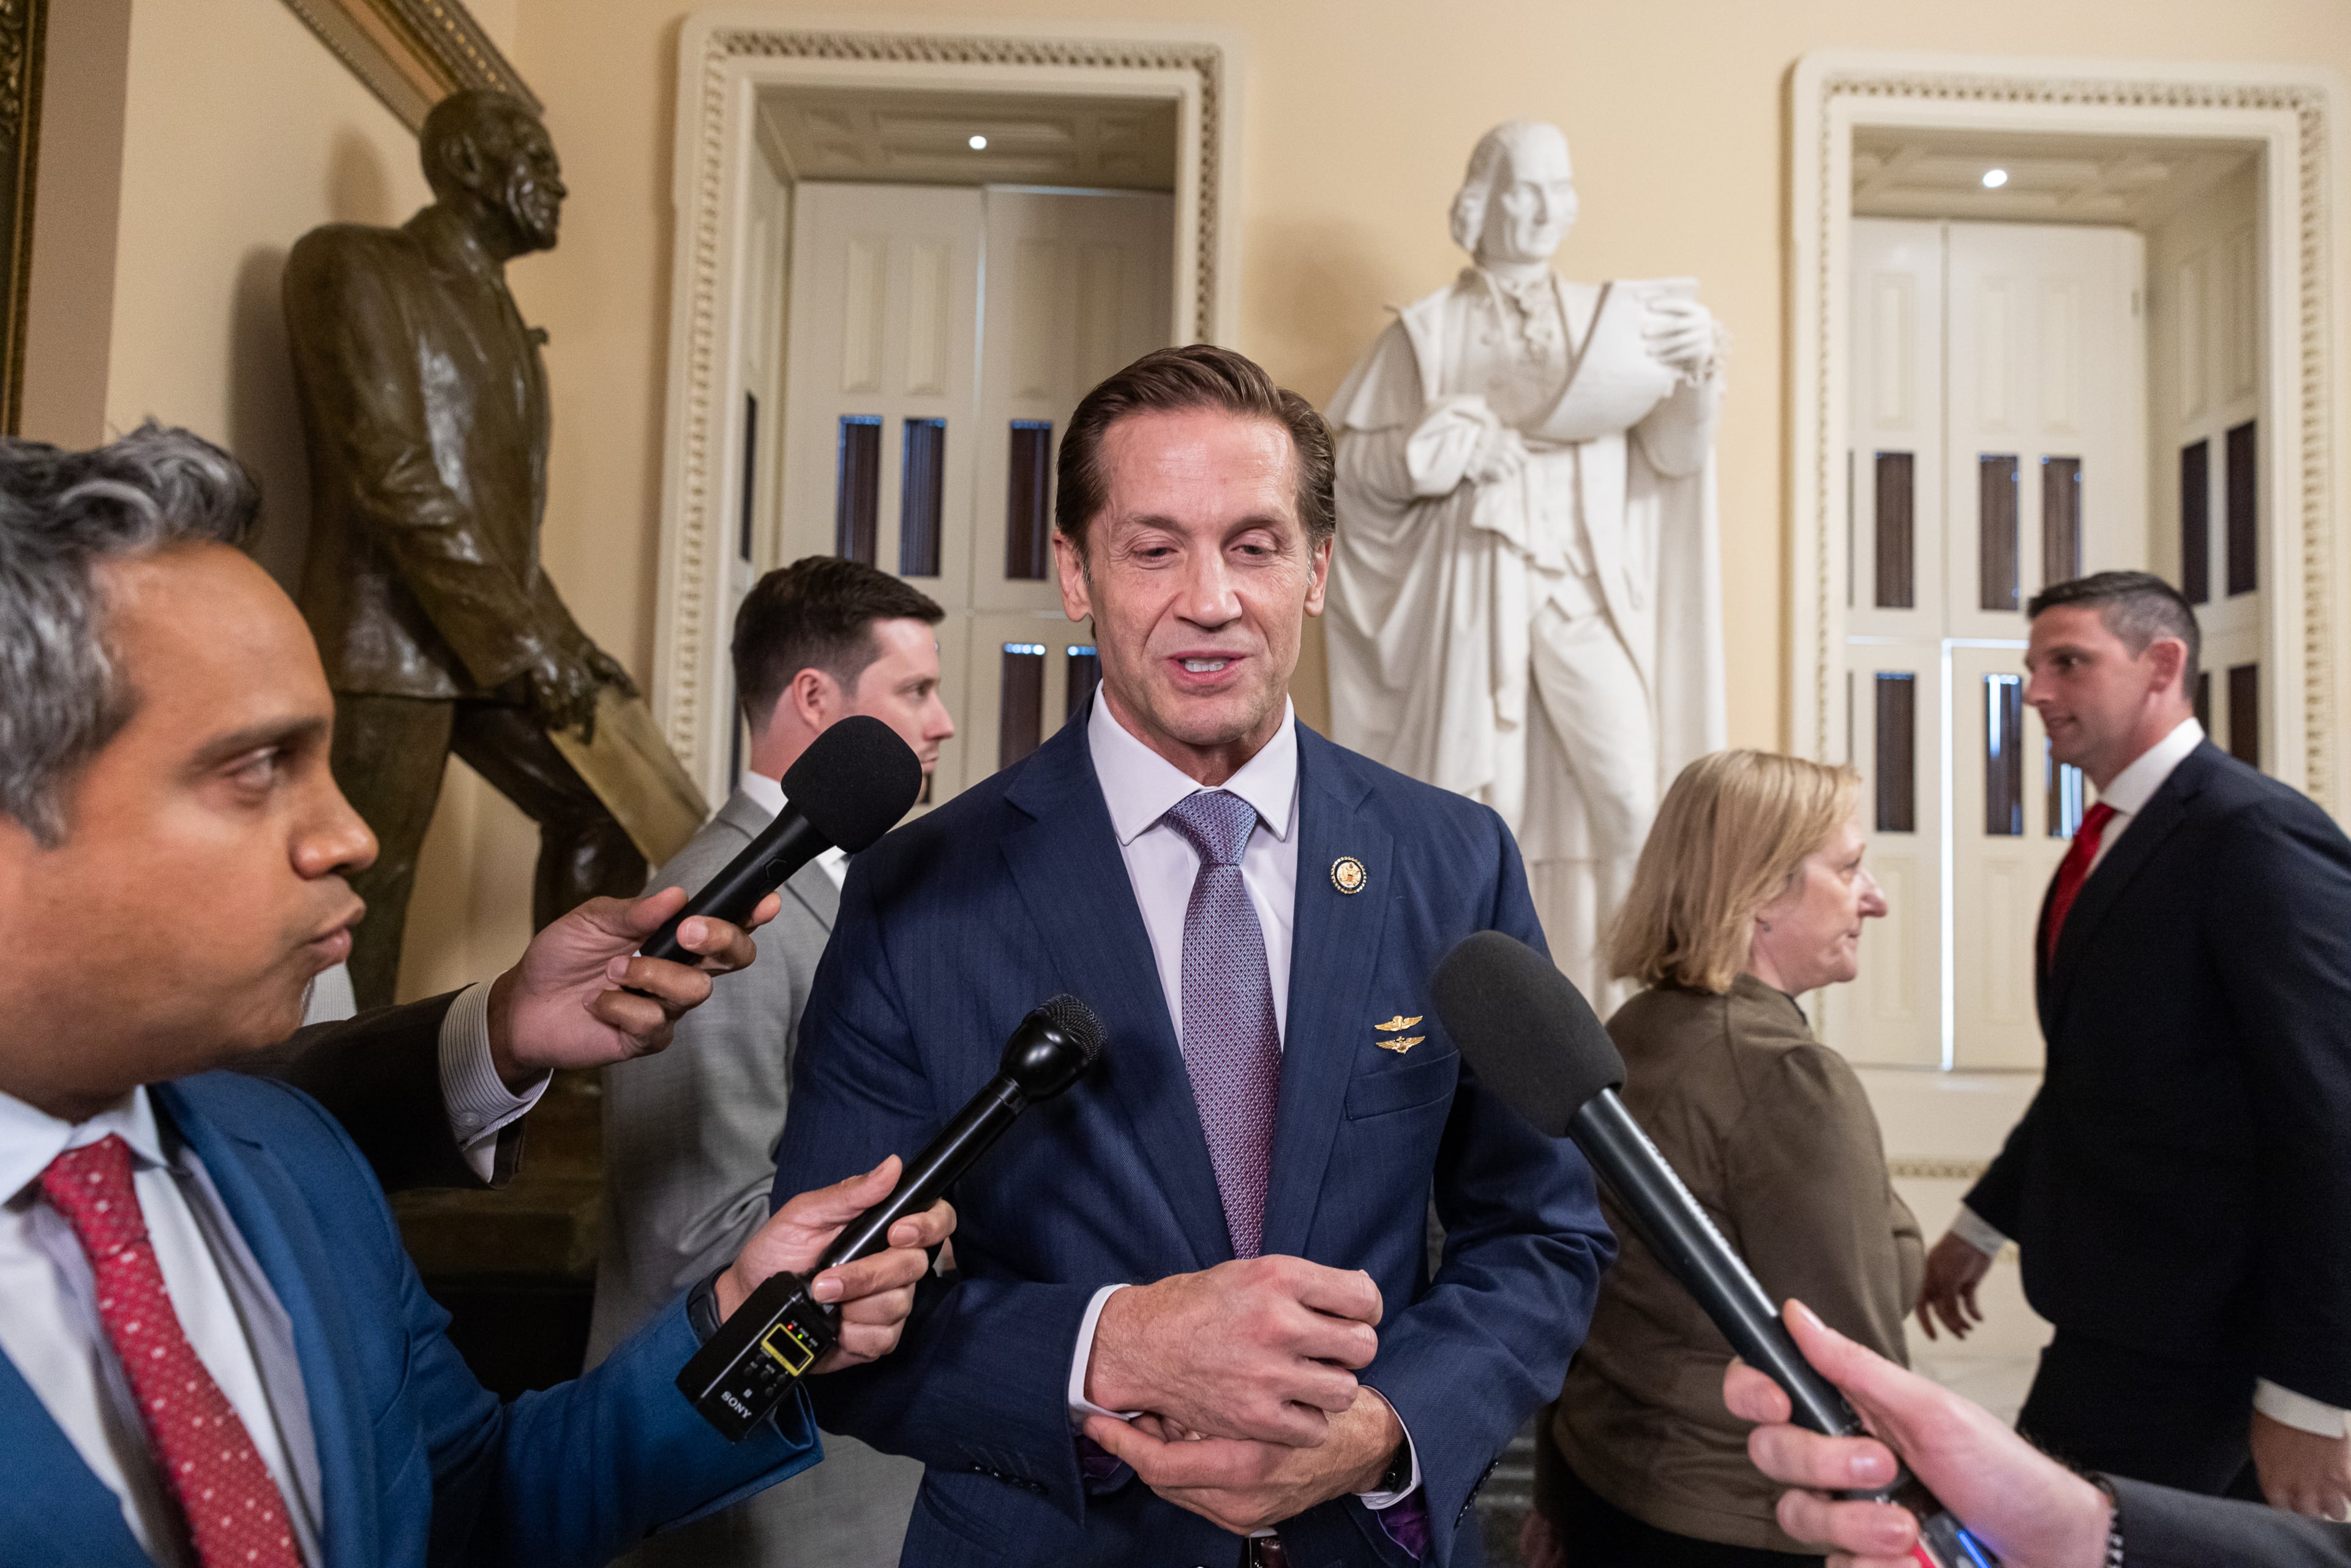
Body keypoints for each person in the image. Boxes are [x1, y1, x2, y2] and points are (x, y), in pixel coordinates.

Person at [0, 424, 951, 1564]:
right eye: (256, 770)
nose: (349, 834)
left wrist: (745, 1318)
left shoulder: (292, 1162)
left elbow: (482, 1500)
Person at [770, 344, 1614, 1566]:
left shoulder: (1454, 859)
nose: (1211, 598)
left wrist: (1386, 1426)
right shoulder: (920, 891)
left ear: (1318, 568)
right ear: (1075, 569)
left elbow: (1544, 1231)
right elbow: (827, 1305)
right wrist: (1107, 1345)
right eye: (1154, 547)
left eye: (1256, 544)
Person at [1914, 571, 2351, 1512]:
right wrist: (1985, 1222)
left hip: (2205, 1346)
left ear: (2163, 665)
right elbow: (2098, 1073)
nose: (2035, 691)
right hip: (2121, 1321)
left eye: (2068, 663)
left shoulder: (2255, 833)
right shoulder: (2118, 832)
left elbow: (2333, 1120)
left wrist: (2313, 1394)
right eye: (2033, 667)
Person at [590, 556, 955, 1567]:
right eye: (916, 690)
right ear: (814, 700)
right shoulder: (718, 906)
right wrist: (942, 1237)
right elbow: (696, 1233)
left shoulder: (843, 890)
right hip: (763, 1486)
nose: (943, 722)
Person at [1325, 118, 1727, 1011]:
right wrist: (1442, 448)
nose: (1547, 209)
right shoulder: (1426, 335)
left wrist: (1697, 377)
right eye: (1526, 189)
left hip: (1579, 596)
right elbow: (1352, 479)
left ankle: (1640, 1013)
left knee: (1631, 800)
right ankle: (1482, 1018)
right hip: (1473, 610)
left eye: (1561, 190)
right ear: (1482, 199)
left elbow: (1672, 457)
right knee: (1478, 820)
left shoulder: (1612, 325)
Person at [284, 88, 646, 1009]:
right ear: (467, 165)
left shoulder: (509, 327)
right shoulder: (354, 264)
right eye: (534, 152)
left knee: (605, 806)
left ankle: (568, 1069)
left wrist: (563, 645)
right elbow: (393, 474)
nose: (558, 178)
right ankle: (333, 1116)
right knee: (362, 894)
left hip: (482, 638)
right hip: (390, 641)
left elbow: (506, 541)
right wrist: (526, 646)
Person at [1521, 751, 1919, 1568]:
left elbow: (1586, 1308)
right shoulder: (1788, 1077)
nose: (1874, 898)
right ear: (1763, 894)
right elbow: (1856, 1366)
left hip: (1608, 1483)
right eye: (1848, 869)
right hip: (1746, 1518)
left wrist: (1554, 1493)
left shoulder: (1630, 1031)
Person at [1723, 1301, 2351, 1568]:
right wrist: (2087, 1531)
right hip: (2103, 1338)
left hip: (2205, 1355)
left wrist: (2312, 1394)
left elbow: (2320, 1108)